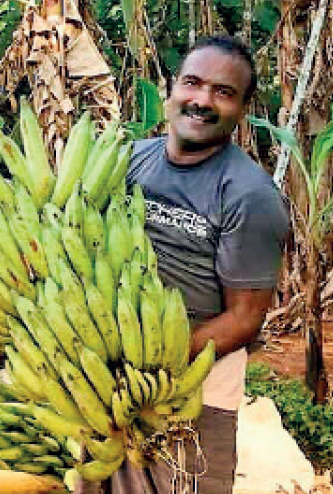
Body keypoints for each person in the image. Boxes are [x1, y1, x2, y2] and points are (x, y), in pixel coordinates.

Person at [80, 36, 291, 494]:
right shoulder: (128, 161)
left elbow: (244, 318)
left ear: (242, 109)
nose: (202, 100)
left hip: (192, 394)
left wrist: (151, 365)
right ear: (172, 87)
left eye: (223, 92)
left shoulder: (249, 195)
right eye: (193, 83)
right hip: (107, 382)